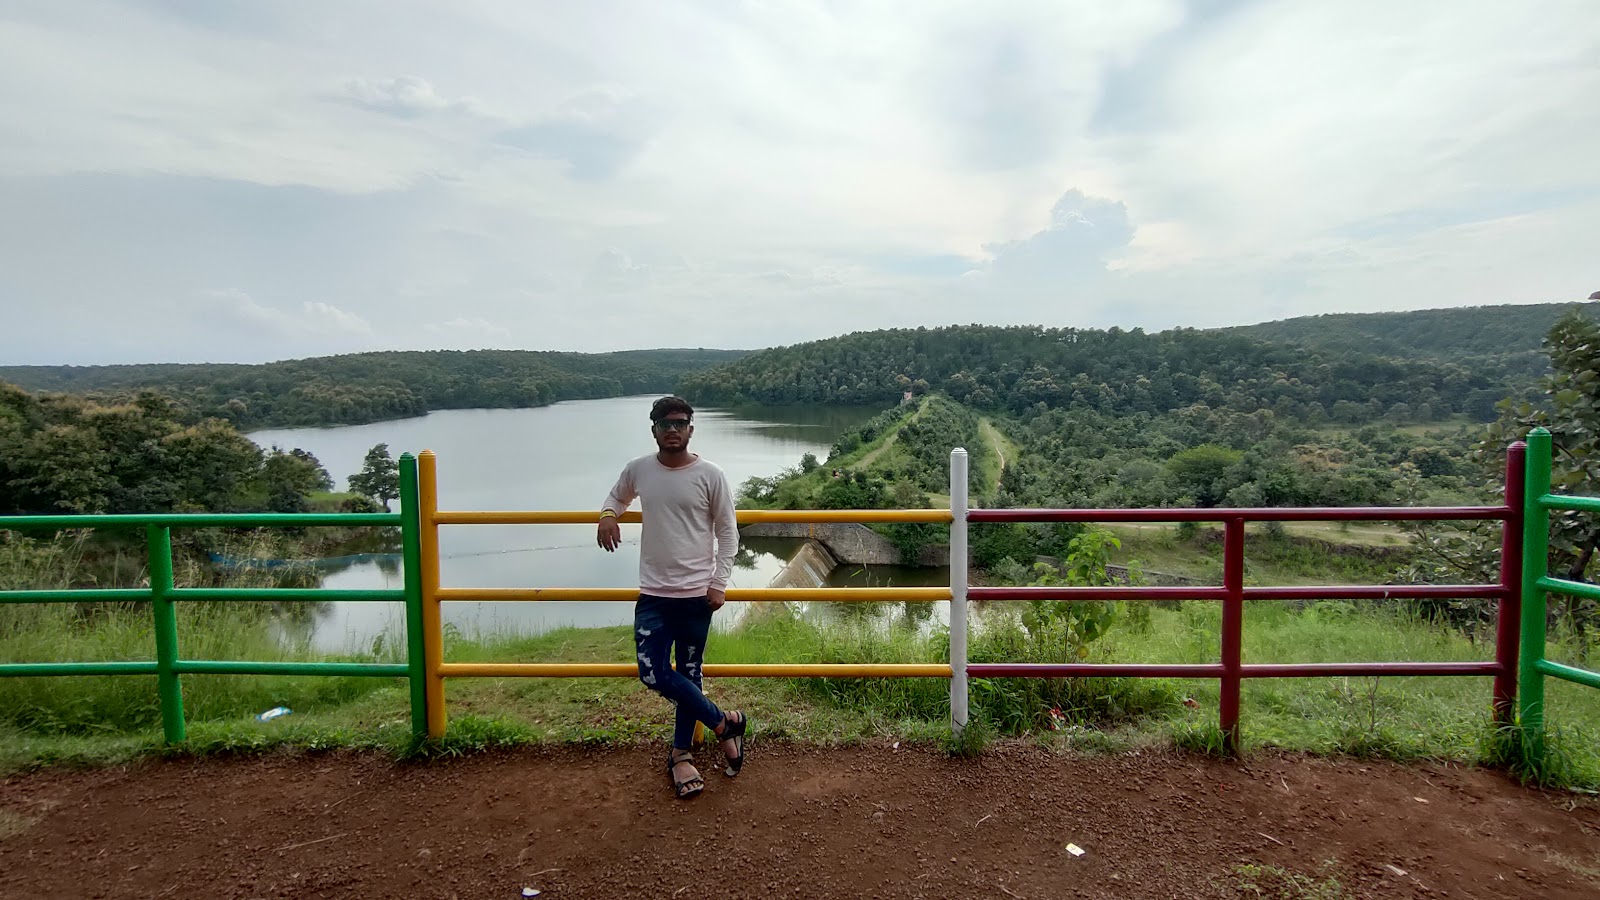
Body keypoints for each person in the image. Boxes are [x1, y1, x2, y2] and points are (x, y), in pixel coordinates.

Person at [597, 395, 747, 799]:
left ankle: (681, 756)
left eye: (680, 423)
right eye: (665, 424)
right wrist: (608, 516)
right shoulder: (639, 470)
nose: (673, 430)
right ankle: (724, 722)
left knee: (691, 672)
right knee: (652, 671)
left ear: (691, 429)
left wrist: (720, 581)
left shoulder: (711, 475)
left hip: (699, 594)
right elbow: (616, 497)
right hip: (655, 594)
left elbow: (728, 532)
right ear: (654, 430)